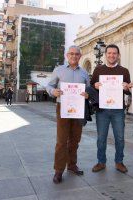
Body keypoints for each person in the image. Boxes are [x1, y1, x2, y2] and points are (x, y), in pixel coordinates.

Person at [46, 45, 90, 184]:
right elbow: (49, 86)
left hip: (78, 108)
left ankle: (71, 165)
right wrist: (54, 92)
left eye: (77, 54)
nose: (74, 56)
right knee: (61, 140)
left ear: (80, 56)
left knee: (75, 139)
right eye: (71, 53)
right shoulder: (58, 70)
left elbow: (88, 90)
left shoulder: (84, 73)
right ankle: (58, 170)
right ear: (67, 55)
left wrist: (87, 94)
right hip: (62, 107)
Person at [91, 44, 131, 173]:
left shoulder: (124, 71)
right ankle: (101, 162)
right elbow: (91, 87)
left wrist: (126, 88)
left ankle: (119, 162)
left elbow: (128, 91)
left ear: (118, 55)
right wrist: (95, 86)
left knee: (119, 137)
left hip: (118, 110)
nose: (112, 55)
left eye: (114, 53)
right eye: (109, 53)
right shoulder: (98, 70)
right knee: (101, 137)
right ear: (105, 54)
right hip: (102, 109)